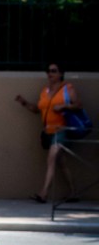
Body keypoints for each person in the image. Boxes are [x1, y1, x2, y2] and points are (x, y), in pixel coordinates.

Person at [17, 63, 82, 203]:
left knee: (51, 159)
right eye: (48, 71)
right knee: (61, 162)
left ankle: (43, 193)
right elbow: (37, 109)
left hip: (62, 129)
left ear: (60, 74)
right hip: (48, 131)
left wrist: (64, 105)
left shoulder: (67, 88)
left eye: (53, 71)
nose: (50, 74)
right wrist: (24, 103)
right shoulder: (45, 91)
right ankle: (74, 192)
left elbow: (78, 105)